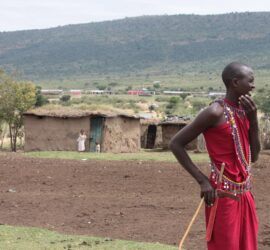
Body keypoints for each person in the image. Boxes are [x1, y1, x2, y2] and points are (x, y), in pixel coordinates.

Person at [170, 62, 260, 250]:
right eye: (250, 81)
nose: (253, 85)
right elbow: (176, 144)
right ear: (235, 82)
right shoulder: (214, 112)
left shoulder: (246, 111)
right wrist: (202, 180)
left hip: (245, 193)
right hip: (222, 194)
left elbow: (254, 156)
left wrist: (253, 120)